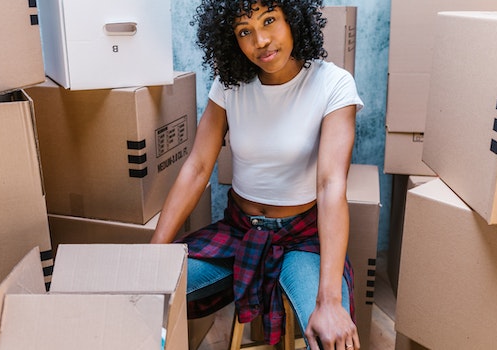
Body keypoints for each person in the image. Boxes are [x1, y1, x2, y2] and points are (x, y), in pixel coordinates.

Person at [150, 0, 363, 349]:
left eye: (269, 21)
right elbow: (198, 167)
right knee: (141, 293)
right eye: (245, 31)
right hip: (240, 233)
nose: (260, 41)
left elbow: (330, 186)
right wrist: (152, 255)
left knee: (332, 339)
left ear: (294, 19)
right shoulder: (230, 85)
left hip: (303, 239)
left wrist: (329, 302)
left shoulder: (333, 84)